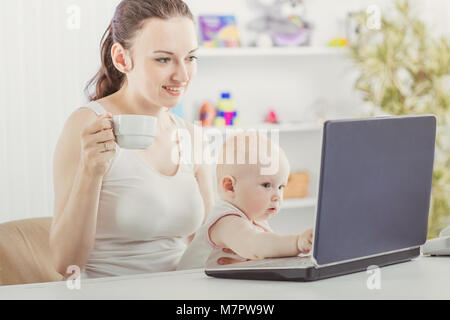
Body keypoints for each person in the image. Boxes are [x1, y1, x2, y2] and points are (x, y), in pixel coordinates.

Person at [49, 0, 215, 279]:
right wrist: (91, 172)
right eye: (164, 59)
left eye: (190, 57)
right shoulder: (86, 126)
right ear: (122, 58)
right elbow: (66, 264)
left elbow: (210, 242)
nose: (183, 74)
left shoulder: (192, 136)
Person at [177, 132, 313, 270]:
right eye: (266, 185)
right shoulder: (226, 221)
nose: (277, 196)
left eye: (281, 187)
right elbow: (256, 245)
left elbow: (270, 250)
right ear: (230, 187)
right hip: (189, 288)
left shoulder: (256, 220)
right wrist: (297, 243)